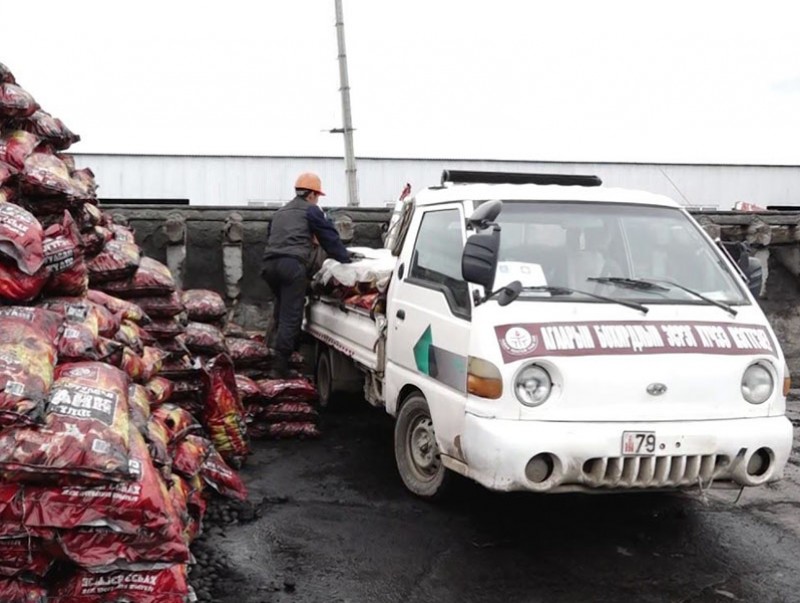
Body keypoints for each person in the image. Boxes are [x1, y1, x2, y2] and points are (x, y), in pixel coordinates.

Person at [261, 172, 351, 378]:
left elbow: (272, 238)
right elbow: (329, 238)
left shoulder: (280, 212)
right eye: (317, 195)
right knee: (291, 315)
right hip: (291, 266)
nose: (317, 199)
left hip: (268, 267)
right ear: (311, 194)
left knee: (281, 310)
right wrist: (346, 260)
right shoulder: (311, 211)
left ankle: (271, 354)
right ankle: (280, 368)